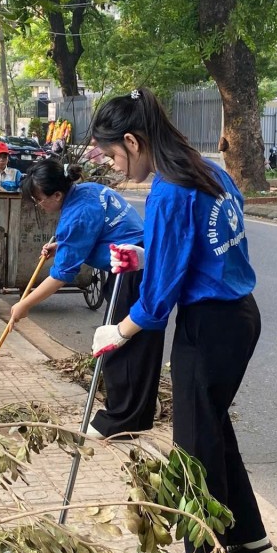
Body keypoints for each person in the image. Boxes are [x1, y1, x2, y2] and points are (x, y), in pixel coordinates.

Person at [88, 87, 277, 553]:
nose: (112, 166)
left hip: (211, 325)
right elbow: (193, 252)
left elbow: (158, 298)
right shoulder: (206, 170)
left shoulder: (171, 189)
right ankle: (251, 543)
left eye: (111, 154)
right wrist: (143, 255)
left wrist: (119, 332)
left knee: (195, 447)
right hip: (238, 316)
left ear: (132, 140)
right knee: (213, 431)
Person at [9, 157, 164, 437]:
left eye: (40, 199)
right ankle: (134, 417)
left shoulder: (76, 215)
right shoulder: (88, 190)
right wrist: (63, 245)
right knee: (137, 345)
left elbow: (61, 276)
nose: (39, 205)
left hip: (132, 269)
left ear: (57, 194)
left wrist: (24, 304)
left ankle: (120, 421)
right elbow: (98, 229)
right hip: (141, 263)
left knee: (119, 346)